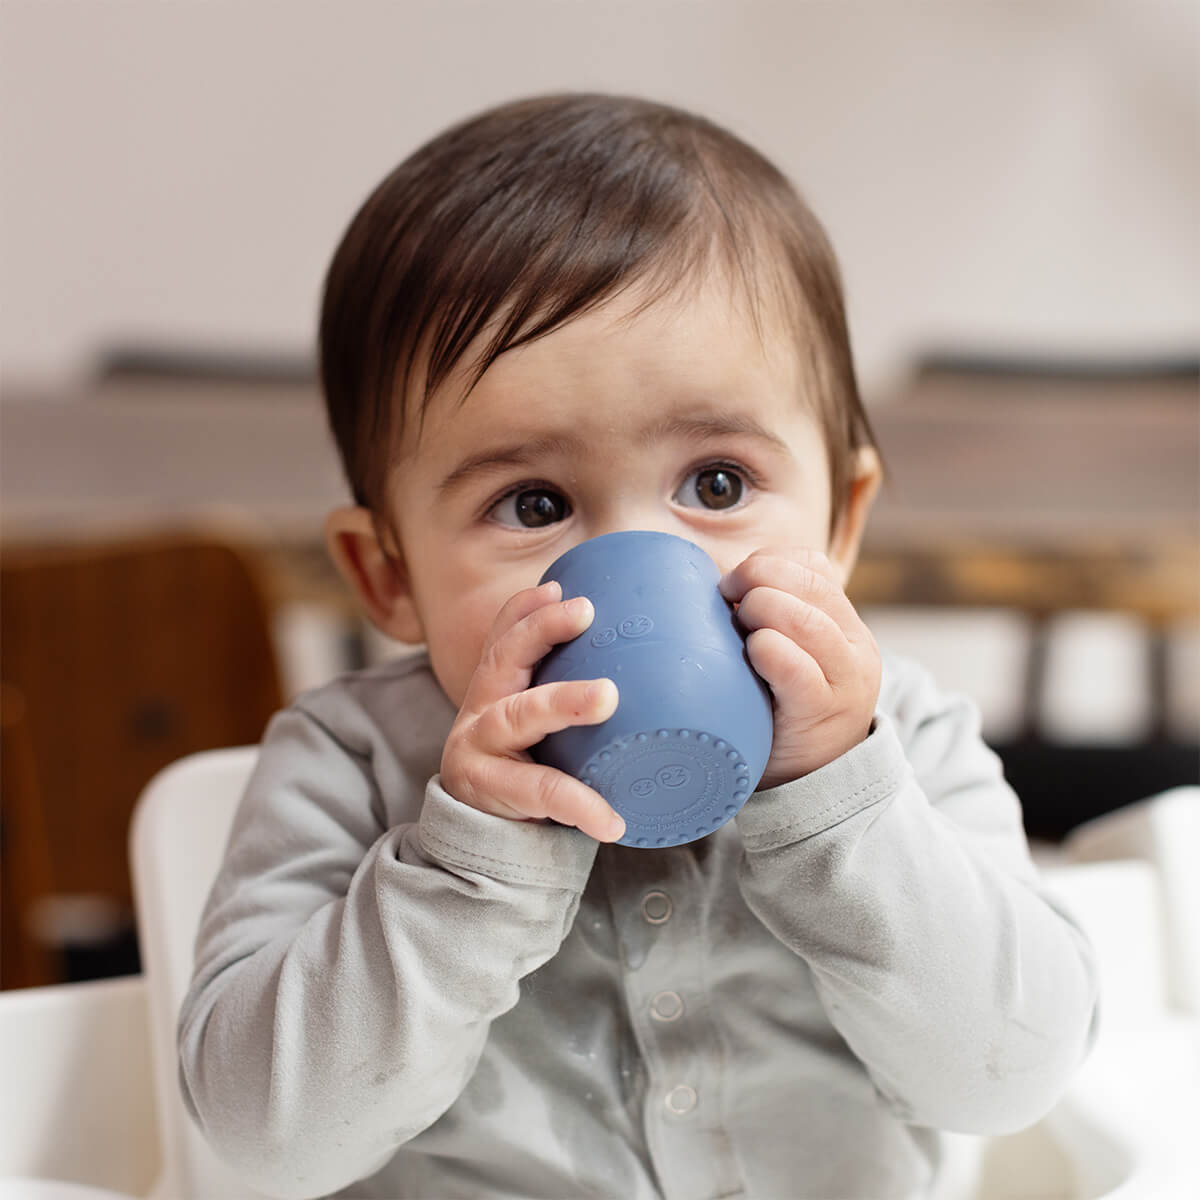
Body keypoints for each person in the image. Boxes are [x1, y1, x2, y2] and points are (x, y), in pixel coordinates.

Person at [179, 93, 1098, 1200]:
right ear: (389, 575)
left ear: (842, 522)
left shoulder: (904, 743)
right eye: (531, 503)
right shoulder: (347, 764)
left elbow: (1011, 1077)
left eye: (717, 485)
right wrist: (467, 869)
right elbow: (263, 1141)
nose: (645, 568)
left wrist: (841, 803)